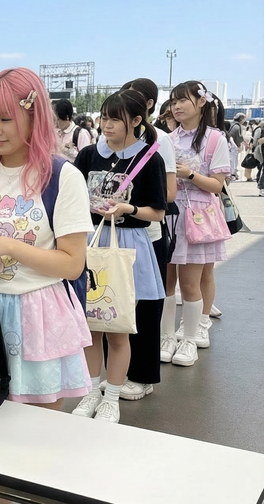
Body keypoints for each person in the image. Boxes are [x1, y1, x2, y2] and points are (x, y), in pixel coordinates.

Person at [0, 67, 93, 416]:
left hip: (39, 314)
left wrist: (8, 246)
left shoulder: (61, 177)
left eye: (6, 119)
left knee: (39, 430)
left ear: (33, 116)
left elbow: (72, 264)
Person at [72, 89, 167, 422]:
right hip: (90, 242)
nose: (106, 125)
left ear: (137, 121)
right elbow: (71, 197)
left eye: (115, 118)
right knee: (91, 327)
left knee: (118, 326)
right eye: (104, 117)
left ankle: (111, 397)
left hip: (128, 245)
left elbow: (157, 211)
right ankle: (89, 393)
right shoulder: (87, 155)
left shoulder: (149, 158)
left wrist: (129, 208)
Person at [161, 82, 230, 367]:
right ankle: (167, 335)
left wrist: (189, 174)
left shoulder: (215, 139)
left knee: (190, 284)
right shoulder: (167, 138)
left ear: (202, 103)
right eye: (173, 102)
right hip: (169, 213)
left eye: (182, 101)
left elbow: (216, 185)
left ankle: (190, 338)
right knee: (165, 282)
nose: (176, 107)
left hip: (198, 215)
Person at [117, 78, 177, 399]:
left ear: (148, 107)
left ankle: (141, 375)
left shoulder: (160, 141)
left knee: (145, 308)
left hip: (148, 236)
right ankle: (116, 373)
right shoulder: (106, 144)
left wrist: (129, 204)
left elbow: (167, 194)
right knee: (114, 304)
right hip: (112, 237)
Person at [228, 113, 246, 180]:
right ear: (241, 119)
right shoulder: (238, 126)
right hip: (233, 146)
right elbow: (239, 138)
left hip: (227, 145)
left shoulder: (231, 124)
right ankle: (233, 174)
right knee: (234, 161)